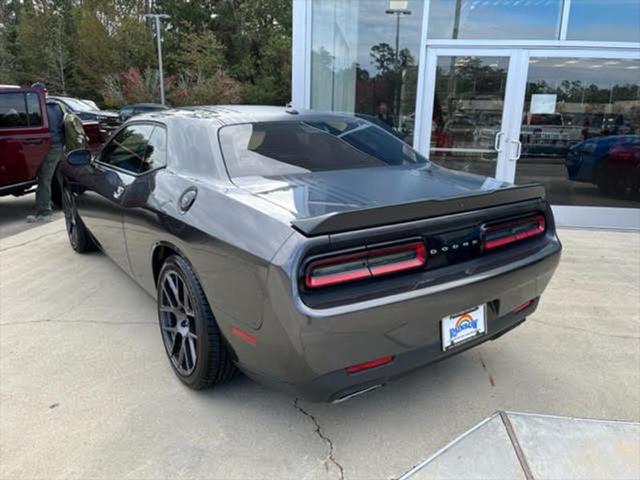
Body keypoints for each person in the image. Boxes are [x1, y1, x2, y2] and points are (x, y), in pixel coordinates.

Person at [26, 82, 65, 223]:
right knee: (55, 177)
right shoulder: (57, 106)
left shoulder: (38, 108)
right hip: (59, 146)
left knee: (44, 179)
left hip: (48, 147)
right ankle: (63, 204)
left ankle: (44, 212)